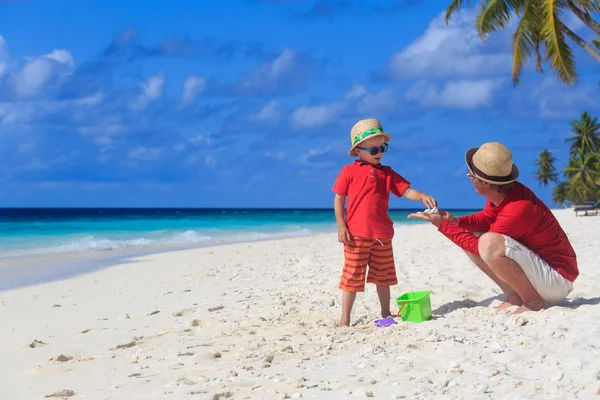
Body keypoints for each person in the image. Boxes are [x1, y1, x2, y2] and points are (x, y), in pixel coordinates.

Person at [409, 142, 578, 314]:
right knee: (474, 235)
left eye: (471, 175)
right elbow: (487, 217)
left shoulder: (517, 210)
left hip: (557, 279)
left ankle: (533, 301)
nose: (469, 178)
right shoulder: (507, 192)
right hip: (545, 271)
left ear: (488, 183)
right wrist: (455, 221)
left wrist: (442, 225)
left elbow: (479, 247)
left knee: (488, 242)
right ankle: (514, 296)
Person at [332, 118, 437, 327]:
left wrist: (422, 195)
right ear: (358, 150)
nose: (379, 153)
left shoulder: (387, 173)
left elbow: (406, 191)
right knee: (352, 277)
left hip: (382, 234)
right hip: (356, 234)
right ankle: (345, 318)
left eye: (382, 148)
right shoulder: (348, 171)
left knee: (384, 276)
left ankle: (386, 311)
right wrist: (341, 226)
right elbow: (339, 198)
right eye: (373, 150)